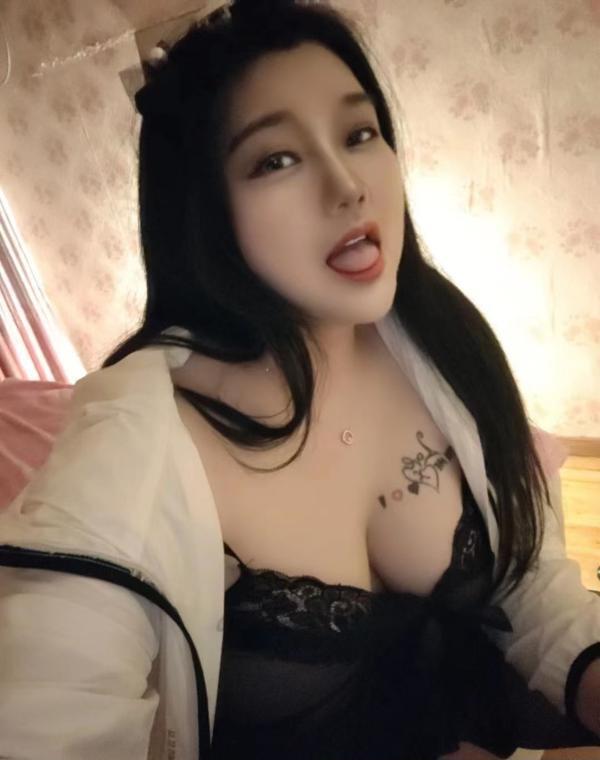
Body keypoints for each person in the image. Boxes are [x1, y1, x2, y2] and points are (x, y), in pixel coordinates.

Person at [0, 1, 598, 758]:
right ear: (203, 210)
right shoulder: (132, 441)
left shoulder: (440, 332)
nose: (348, 186)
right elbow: (45, 710)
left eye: (359, 133)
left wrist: (588, 671)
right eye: (276, 160)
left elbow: (527, 577)